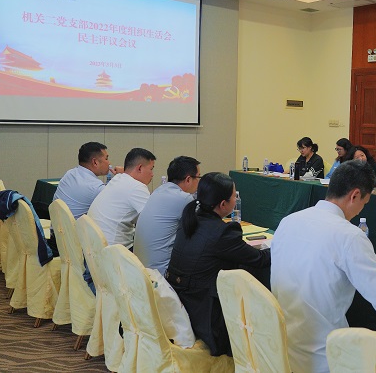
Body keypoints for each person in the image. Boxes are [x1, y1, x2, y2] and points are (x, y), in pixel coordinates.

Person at [272, 161, 376, 373]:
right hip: (323, 358)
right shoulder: (350, 236)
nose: (361, 210)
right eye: (364, 203)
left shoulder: (288, 221)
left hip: (280, 351)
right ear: (355, 195)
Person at [166, 172, 271, 357]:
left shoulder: (190, 220)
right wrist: (280, 245)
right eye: (234, 196)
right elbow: (260, 259)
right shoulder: (222, 233)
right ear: (223, 204)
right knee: (254, 273)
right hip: (204, 318)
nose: (236, 199)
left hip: (180, 304)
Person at [134, 156, 201, 275]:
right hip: (161, 274)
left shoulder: (159, 191)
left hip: (140, 270)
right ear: (188, 179)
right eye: (198, 177)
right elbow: (202, 226)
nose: (199, 182)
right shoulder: (184, 198)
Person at [87, 147, 156, 248]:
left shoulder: (118, 178)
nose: (152, 174)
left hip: (94, 248)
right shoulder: (137, 187)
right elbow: (154, 222)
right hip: (114, 252)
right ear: (140, 168)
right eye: (151, 169)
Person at [53, 141, 119, 220]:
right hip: (75, 228)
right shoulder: (95, 187)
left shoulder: (69, 173)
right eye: (106, 158)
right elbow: (119, 205)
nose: (109, 163)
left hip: (56, 226)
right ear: (95, 162)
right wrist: (124, 175)